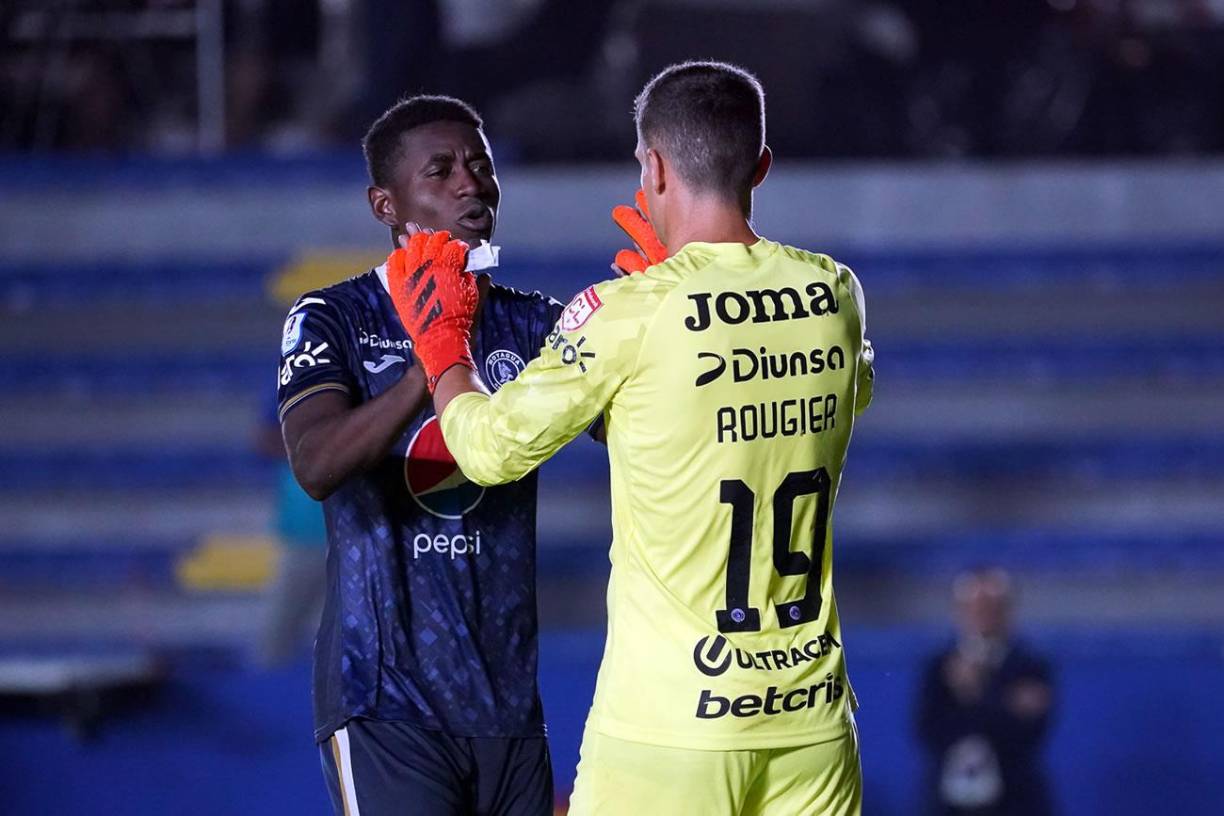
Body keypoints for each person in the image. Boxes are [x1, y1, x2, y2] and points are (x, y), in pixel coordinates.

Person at [389, 61, 876, 815]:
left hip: (670, 728)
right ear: (760, 167)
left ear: (654, 168)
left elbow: (485, 451)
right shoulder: (834, 293)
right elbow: (841, 396)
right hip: (812, 725)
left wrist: (444, 346)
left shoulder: (630, 312)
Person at [276, 95, 567, 816]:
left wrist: (660, 312)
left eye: (480, 166)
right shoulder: (333, 316)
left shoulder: (536, 324)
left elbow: (636, 423)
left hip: (509, 704)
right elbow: (315, 464)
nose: (472, 184)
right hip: (385, 700)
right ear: (386, 204)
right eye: (441, 171)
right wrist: (430, 361)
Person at [916, 567, 1055, 816]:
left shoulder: (1031, 666)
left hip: (1017, 801)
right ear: (958, 611)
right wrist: (1004, 703)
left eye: (992, 607)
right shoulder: (939, 665)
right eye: (975, 607)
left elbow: (1028, 733)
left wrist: (977, 691)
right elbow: (929, 728)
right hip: (949, 803)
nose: (983, 615)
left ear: (1008, 610)